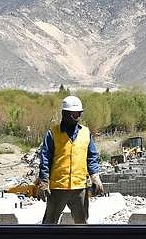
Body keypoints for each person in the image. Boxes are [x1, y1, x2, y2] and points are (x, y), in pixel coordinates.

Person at [34, 95, 103, 225]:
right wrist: (44, 181)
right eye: (74, 114)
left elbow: (92, 157)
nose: (77, 116)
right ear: (65, 114)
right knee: (49, 223)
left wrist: (95, 177)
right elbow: (45, 158)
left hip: (79, 188)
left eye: (79, 113)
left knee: (82, 223)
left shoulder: (85, 133)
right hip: (57, 187)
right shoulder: (52, 133)